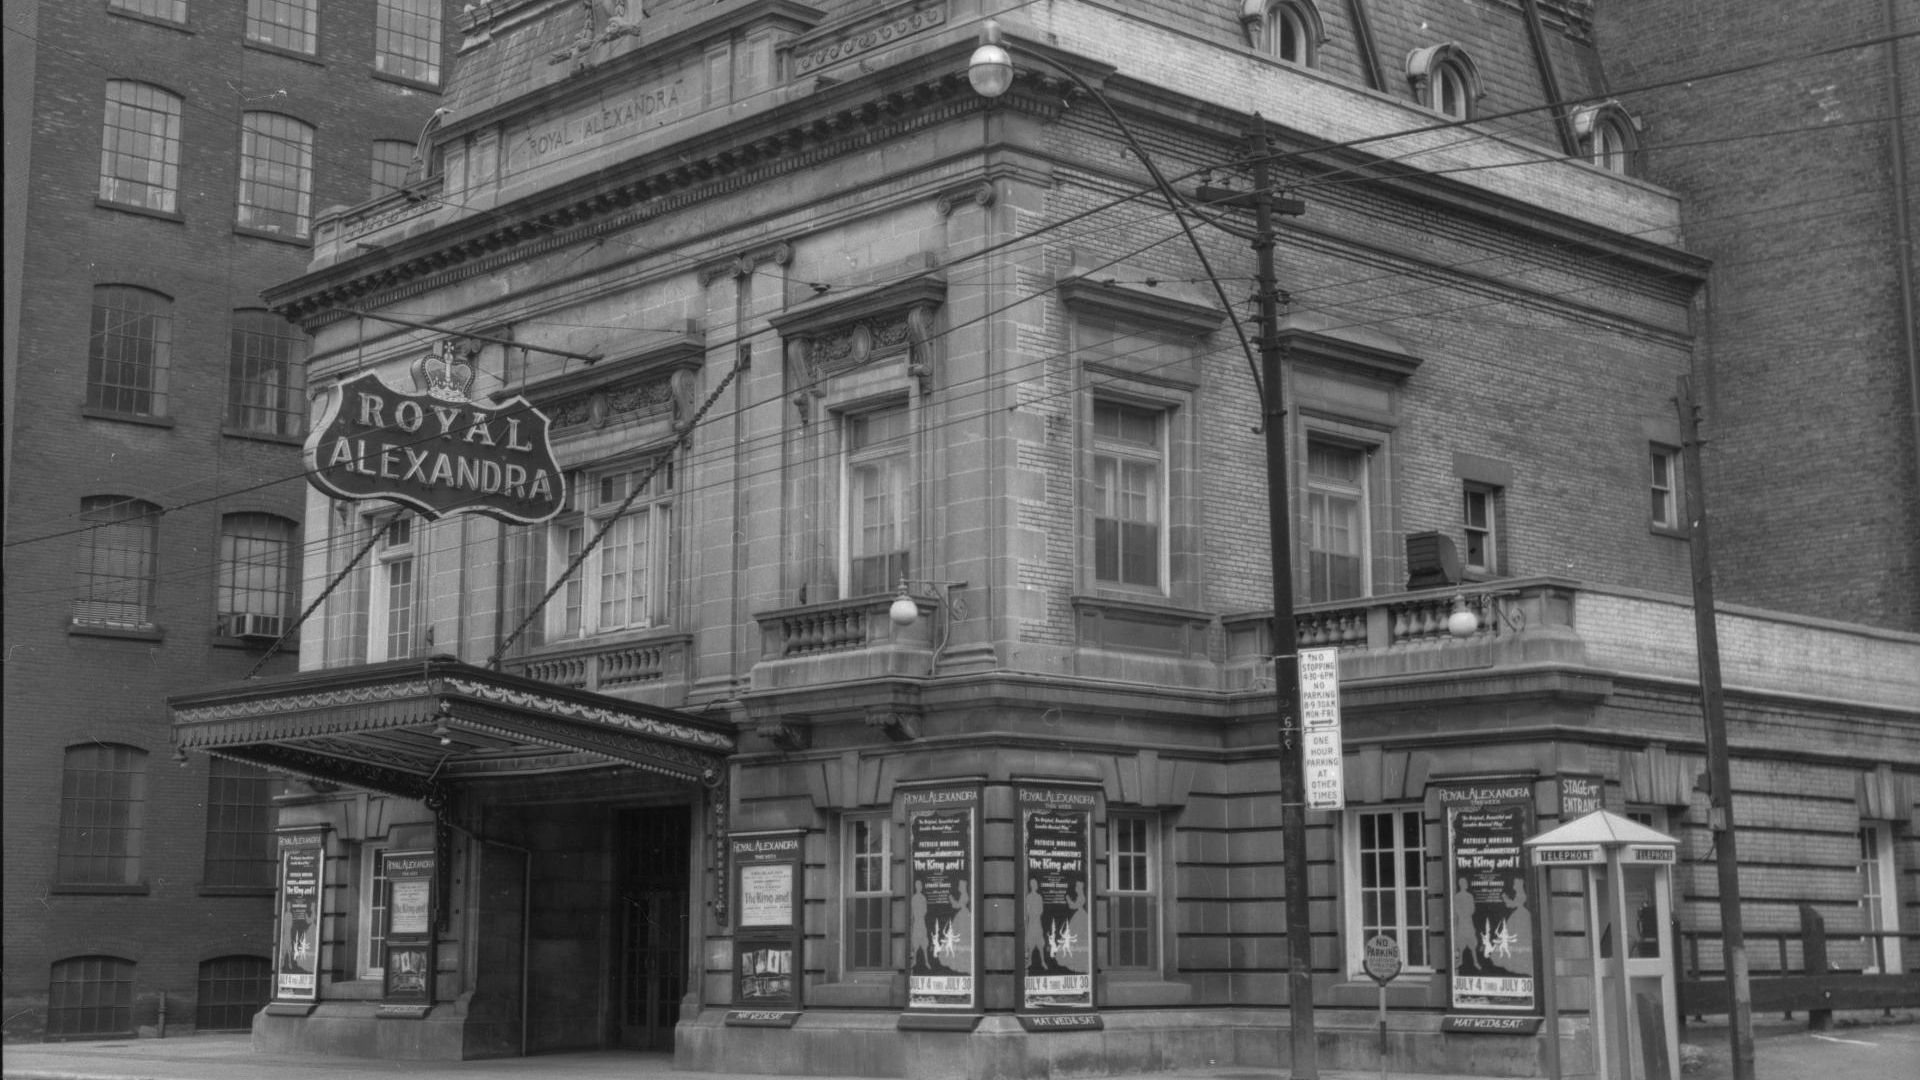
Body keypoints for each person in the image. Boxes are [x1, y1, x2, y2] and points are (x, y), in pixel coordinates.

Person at [1454, 875, 1480, 974]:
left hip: (1467, 921)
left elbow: (1472, 909)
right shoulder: (1457, 897)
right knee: (1461, 941)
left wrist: (1465, 913)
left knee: (1471, 941)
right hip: (1463, 921)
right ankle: (1460, 960)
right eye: (1464, 883)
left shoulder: (1469, 896)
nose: (1466, 885)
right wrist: (1463, 913)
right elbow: (1456, 909)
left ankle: (1475, 961)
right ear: (1462, 885)